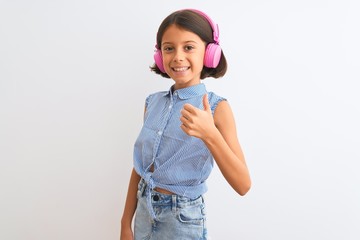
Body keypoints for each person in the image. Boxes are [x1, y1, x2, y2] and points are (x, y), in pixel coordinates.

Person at [120, 8, 251, 240]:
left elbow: (243, 185)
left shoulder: (217, 108)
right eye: (169, 48)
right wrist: (124, 224)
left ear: (209, 53)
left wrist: (210, 134)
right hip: (143, 211)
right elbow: (140, 167)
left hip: (182, 220)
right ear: (160, 56)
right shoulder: (152, 103)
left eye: (188, 47)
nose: (178, 56)